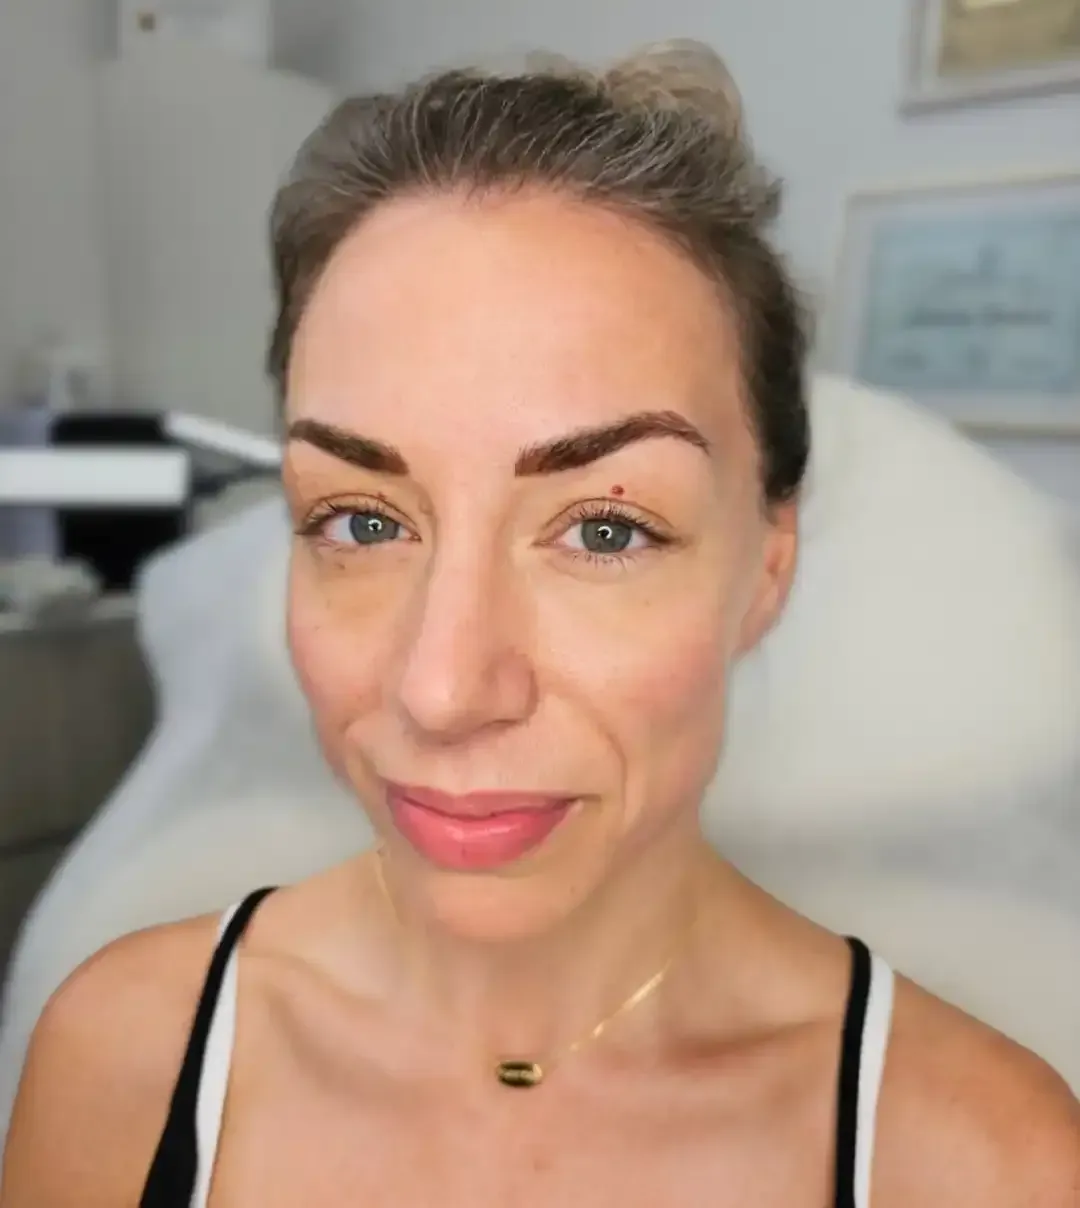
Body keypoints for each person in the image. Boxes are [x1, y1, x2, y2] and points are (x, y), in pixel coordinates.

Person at [2, 39, 1078, 1208]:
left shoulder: (981, 1158)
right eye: (361, 520)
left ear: (768, 566)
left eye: (606, 530)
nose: (444, 687)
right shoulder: (126, 1056)